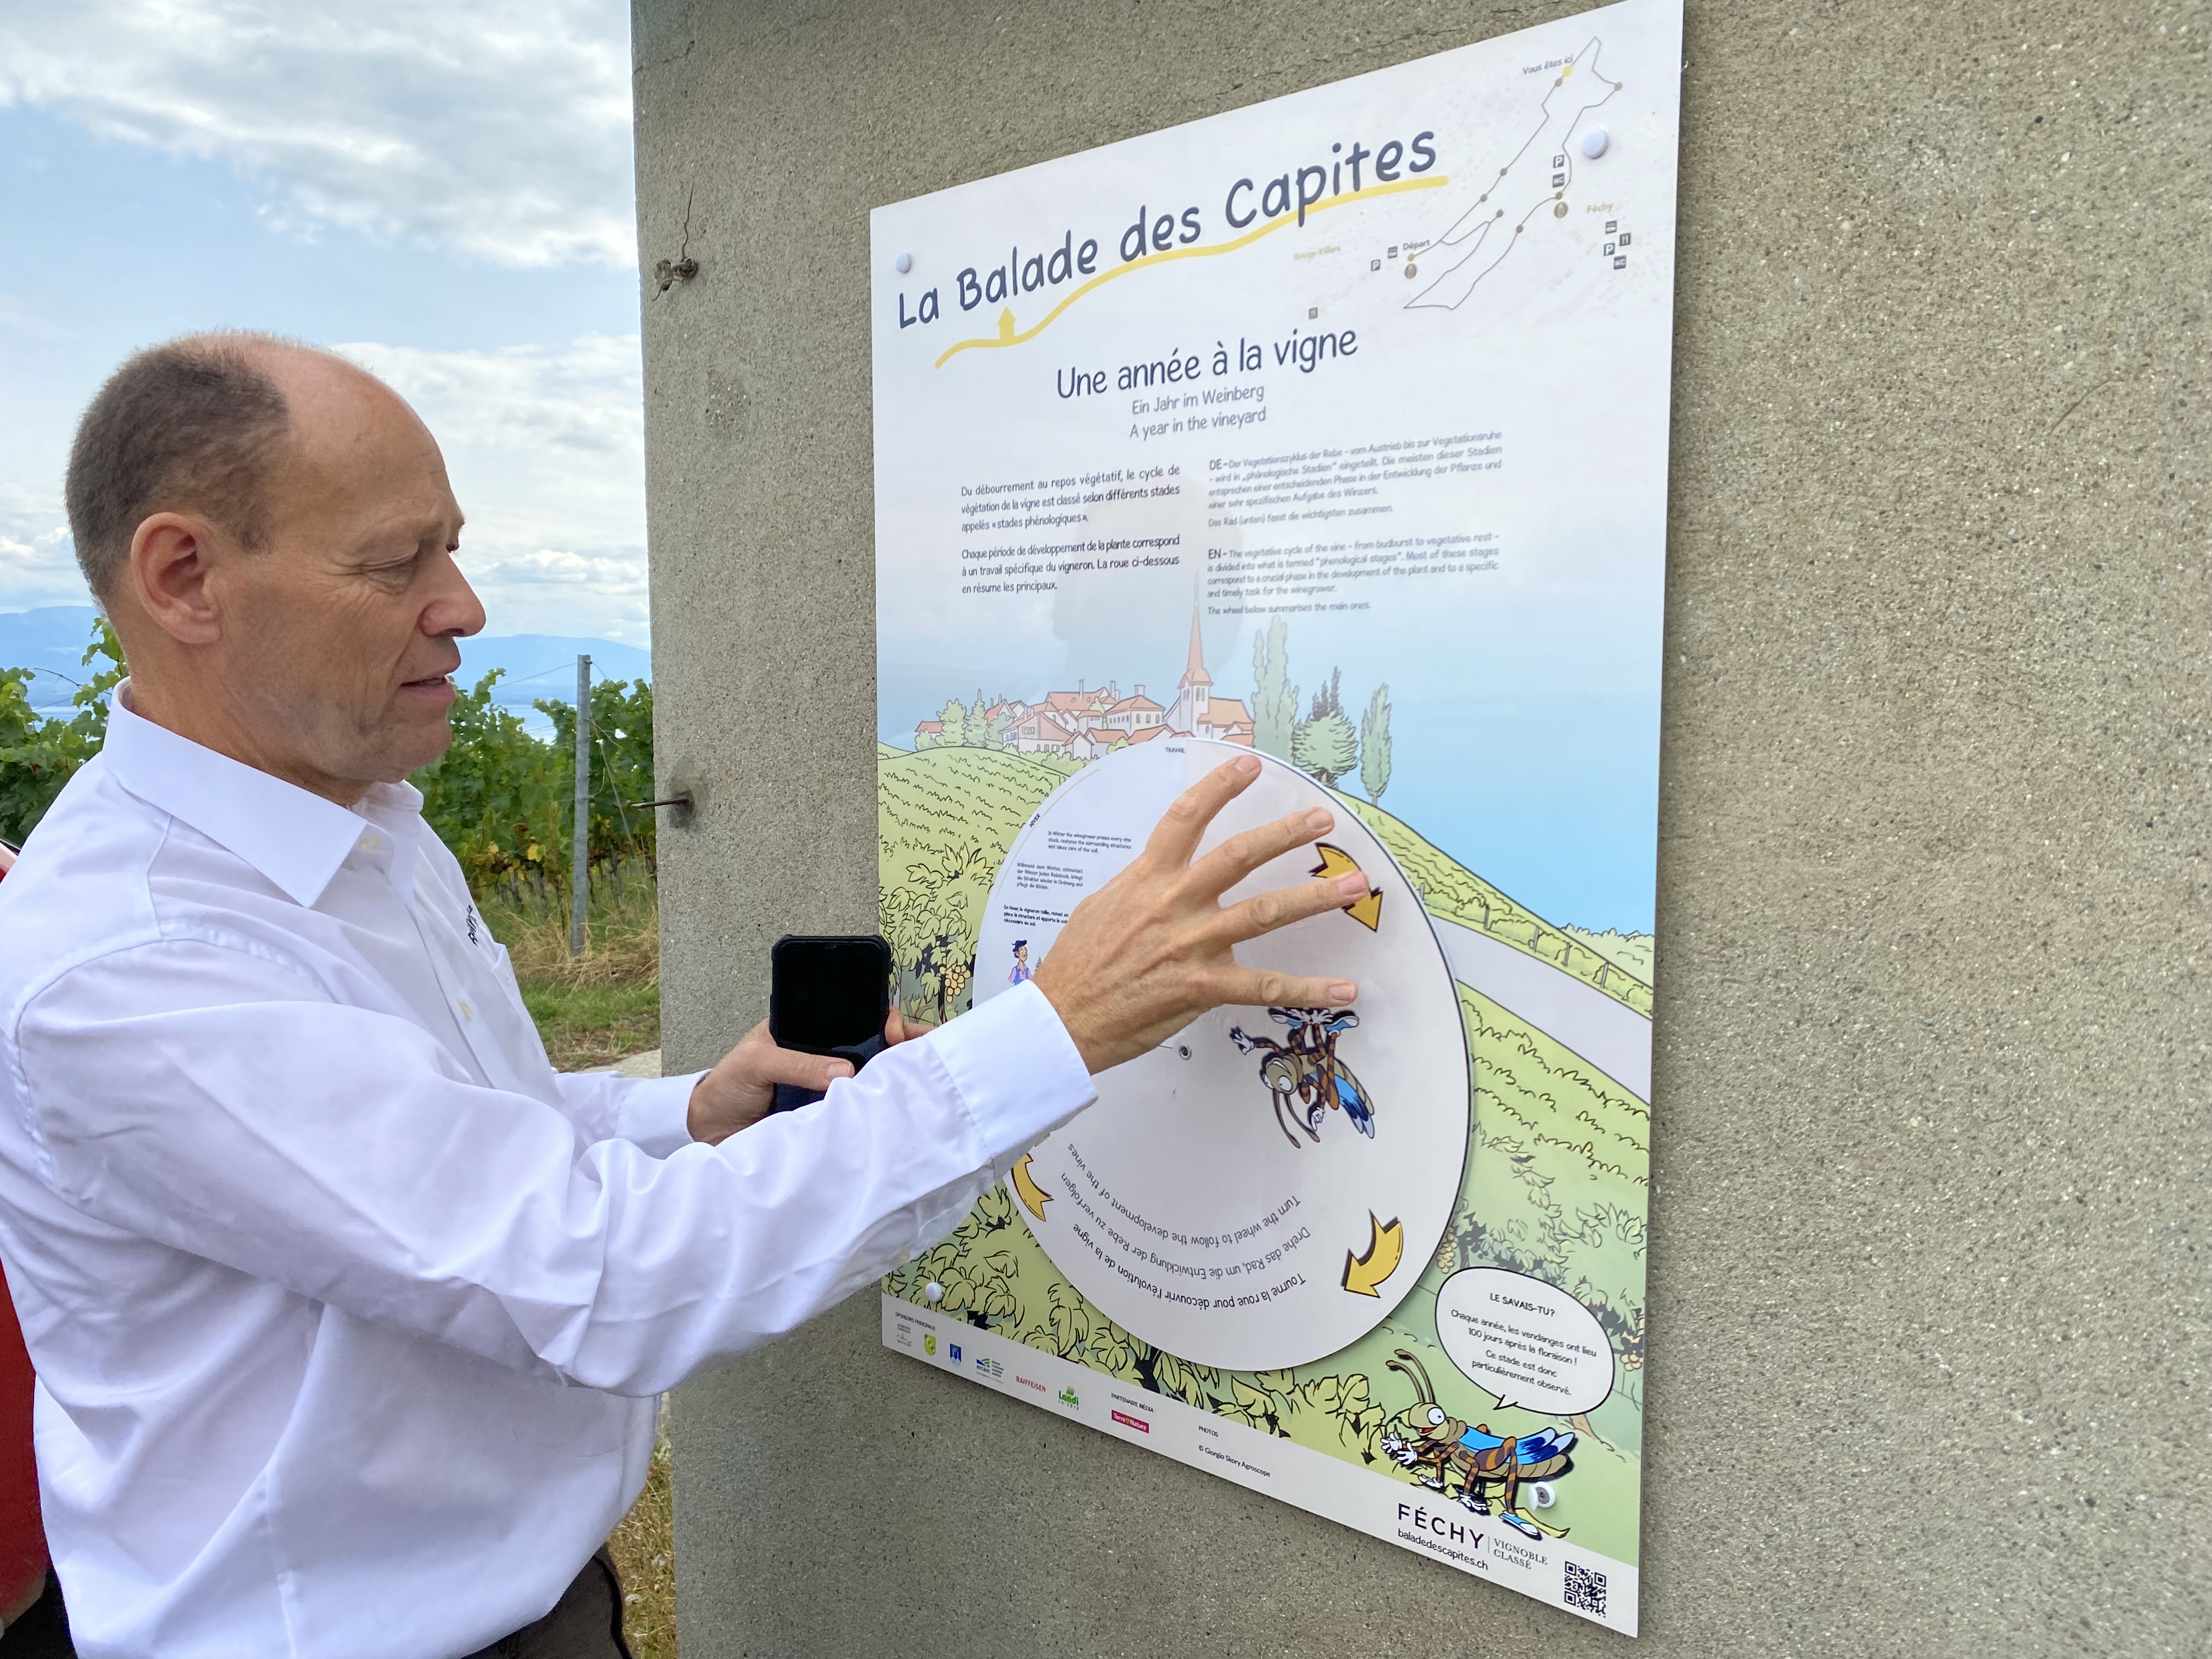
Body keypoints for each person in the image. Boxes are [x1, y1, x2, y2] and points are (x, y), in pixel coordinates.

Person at [0, 334, 1369, 1659]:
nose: (465, 605)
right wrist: (1057, 1030)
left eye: (454, 544)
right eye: (394, 561)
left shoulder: (353, 820)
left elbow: (446, 1140)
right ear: (185, 577)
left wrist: (688, 1120)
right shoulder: (132, 968)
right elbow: (597, 1280)